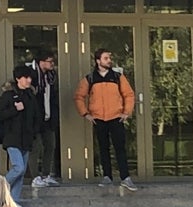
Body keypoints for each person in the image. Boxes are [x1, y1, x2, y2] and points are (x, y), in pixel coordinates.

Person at [74, 48, 138, 191]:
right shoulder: (89, 78)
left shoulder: (117, 77)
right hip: (98, 119)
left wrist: (126, 112)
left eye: (109, 58)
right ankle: (107, 177)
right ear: (98, 61)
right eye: (105, 58)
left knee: (120, 148)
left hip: (116, 117)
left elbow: (129, 94)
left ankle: (125, 178)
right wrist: (85, 114)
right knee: (103, 148)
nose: (109, 60)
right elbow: (78, 96)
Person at [0, 65, 40, 207]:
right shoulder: (9, 95)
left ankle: (14, 202)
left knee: (21, 171)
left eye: (30, 77)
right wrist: (14, 109)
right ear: (18, 79)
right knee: (18, 167)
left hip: (26, 138)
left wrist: (34, 131)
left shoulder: (31, 96)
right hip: (12, 137)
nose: (29, 80)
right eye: (26, 77)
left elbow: (36, 116)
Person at [29, 49, 60, 187]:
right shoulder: (31, 74)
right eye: (50, 61)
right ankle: (35, 176)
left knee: (50, 145)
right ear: (41, 62)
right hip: (35, 117)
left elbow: (52, 96)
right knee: (35, 147)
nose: (52, 64)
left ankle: (46, 174)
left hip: (48, 117)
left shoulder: (51, 76)